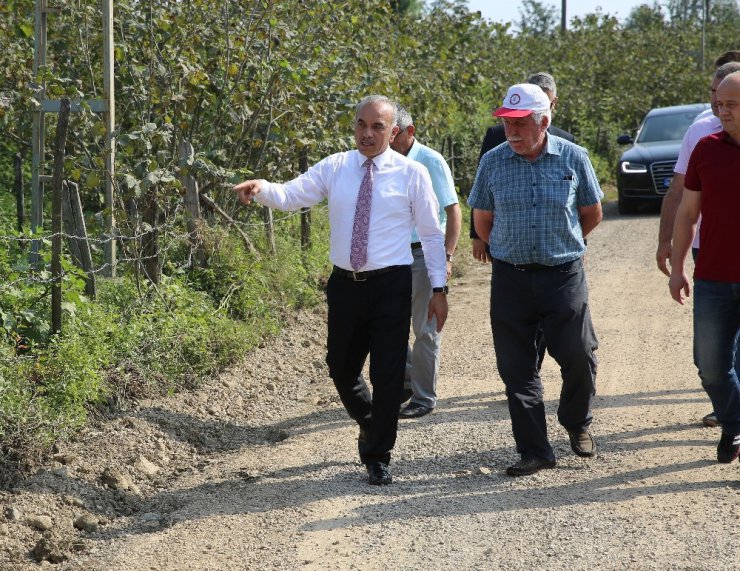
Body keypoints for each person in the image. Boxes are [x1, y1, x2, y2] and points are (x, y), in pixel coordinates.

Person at [233, 95, 449, 485]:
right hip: (346, 285)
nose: (367, 134)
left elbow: (432, 236)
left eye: (377, 127)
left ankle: (378, 454)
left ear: (393, 131)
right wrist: (262, 187)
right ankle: (370, 423)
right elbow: (293, 194)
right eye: (361, 125)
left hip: (392, 285)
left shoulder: (411, 174)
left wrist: (439, 288)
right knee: (341, 367)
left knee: (386, 376)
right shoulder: (336, 167)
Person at [468, 83, 603, 477]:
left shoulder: (574, 157)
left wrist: (561, 242)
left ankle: (576, 422)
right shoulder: (493, 162)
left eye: (521, 123)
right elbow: (483, 220)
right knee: (517, 369)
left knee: (578, 355)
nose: (512, 131)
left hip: (563, 275)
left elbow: (592, 212)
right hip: (511, 279)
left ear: (543, 121)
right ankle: (535, 450)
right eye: (507, 123)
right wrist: (513, 252)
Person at [656, 54, 740, 428]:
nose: (722, 111)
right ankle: (732, 415)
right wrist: (677, 264)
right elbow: (685, 208)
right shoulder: (704, 145)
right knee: (709, 366)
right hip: (713, 271)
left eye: (731, 105)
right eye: (719, 103)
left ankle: (734, 429)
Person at [389, 103, 461, 419]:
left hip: (422, 254)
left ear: (410, 132)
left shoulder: (430, 161)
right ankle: (407, 382)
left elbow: (453, 211)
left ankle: (424, 397)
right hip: (390, 255)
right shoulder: (382, 162)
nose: (387, 140)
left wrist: (446, 258)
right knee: (389, 324)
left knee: (425, 328)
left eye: (393, 134)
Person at [471, 72, 575, 263]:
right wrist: (479, 237)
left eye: (548, 104)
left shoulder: (569, 147)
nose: (513, 131)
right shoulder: (496, 138)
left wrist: (574, 242)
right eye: (509, 123)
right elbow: (482, 196)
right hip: (508, 256)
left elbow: (581, 208)